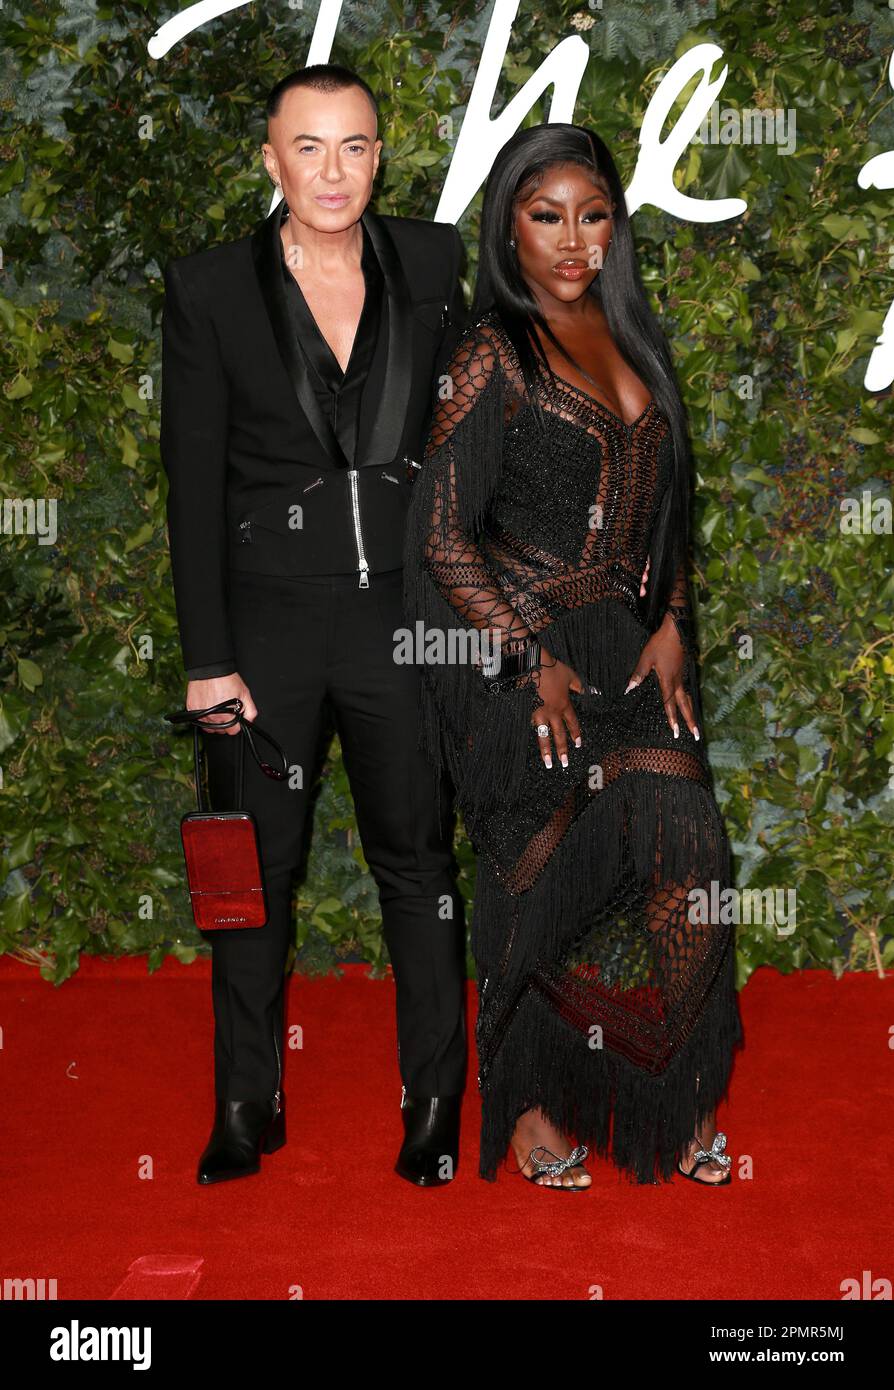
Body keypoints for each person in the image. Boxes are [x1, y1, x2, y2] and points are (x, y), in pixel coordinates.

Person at [404, 123, 744, 1190]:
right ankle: (532, 1106)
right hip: (518, 651)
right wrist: (523, 655)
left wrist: (676, 623)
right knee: (533, 871)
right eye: (545, 214)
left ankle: (674, 1098)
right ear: (510, 220)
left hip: (628, 646)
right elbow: (442, 534)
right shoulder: (492, 352)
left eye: (592, 215)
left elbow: (667, 520)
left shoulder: (636, 334)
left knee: (691, 843)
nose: (570, 238)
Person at [160, 64, 469, 1187]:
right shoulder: (208, 291)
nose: (333, 172)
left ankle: (432, 1101)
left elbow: (466, 443)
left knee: (419, 865)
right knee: (254, 874)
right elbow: (190, 483)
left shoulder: (432, 263)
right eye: (309, 147)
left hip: (403, 621)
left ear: (378, 157)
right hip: (269, 627)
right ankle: (248, 1103)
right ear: (271, 159)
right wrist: (207, 662)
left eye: (355, 147)